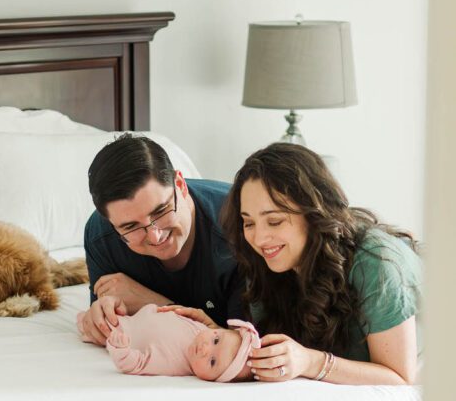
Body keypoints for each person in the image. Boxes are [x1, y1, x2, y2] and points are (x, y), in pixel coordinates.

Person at [167, 143, 421, 386]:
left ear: (314, 214)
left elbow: (399, 377)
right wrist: (222, 336)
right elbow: (280, 352)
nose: (259, 238)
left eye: (275, 221)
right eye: (249, 223)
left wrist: (312, 362)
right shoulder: (265, 264)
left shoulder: (376, 265)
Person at [79, 134, 243, 346]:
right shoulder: (101, 237)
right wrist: (99, 320)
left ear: (180, 185)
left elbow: (243, 350)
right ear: (112, 224)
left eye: (161, 211)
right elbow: (111, 328)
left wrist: (152, 305)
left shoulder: (242, 227)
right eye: (131, 227)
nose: (155, 236)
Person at [77, 303, 259, 381]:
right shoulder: (204, 330)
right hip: (133, 313)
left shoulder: (173, 364)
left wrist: (121, 349)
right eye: (216, 339)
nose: (205, 348)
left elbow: (136, 364)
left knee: (88, 324)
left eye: (212, 361)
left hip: (120, 328)